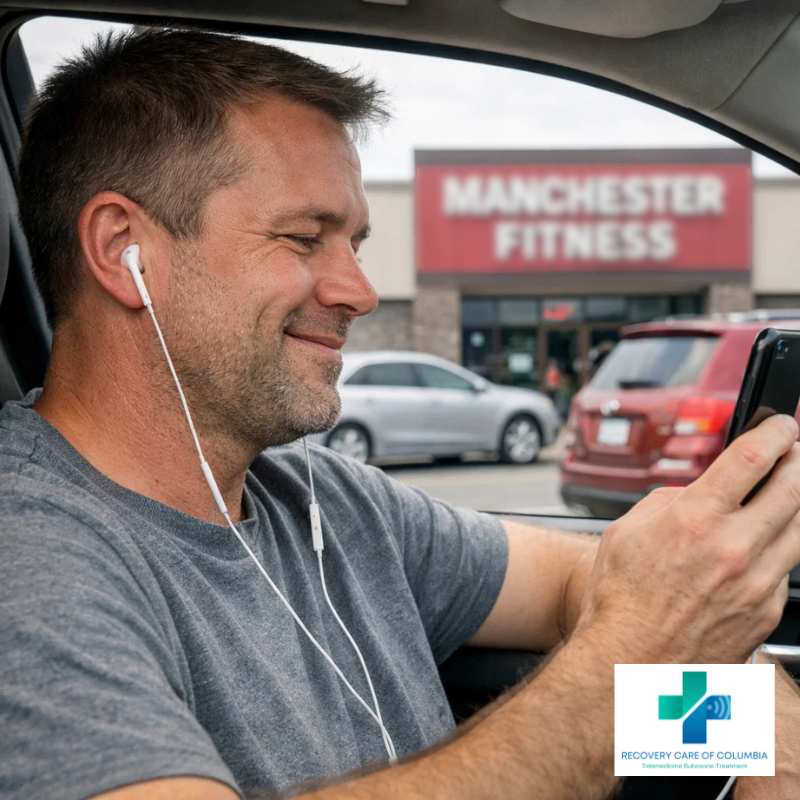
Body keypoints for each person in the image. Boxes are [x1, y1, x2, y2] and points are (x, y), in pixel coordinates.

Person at [0, 27, 798, 800]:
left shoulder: (329, 507)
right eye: (305, 238)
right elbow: (638, 627)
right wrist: (647, 658)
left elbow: (576, 582)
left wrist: (748, 717)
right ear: (122, 250)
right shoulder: (28, 555)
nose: (360, 291)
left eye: (355, 242)